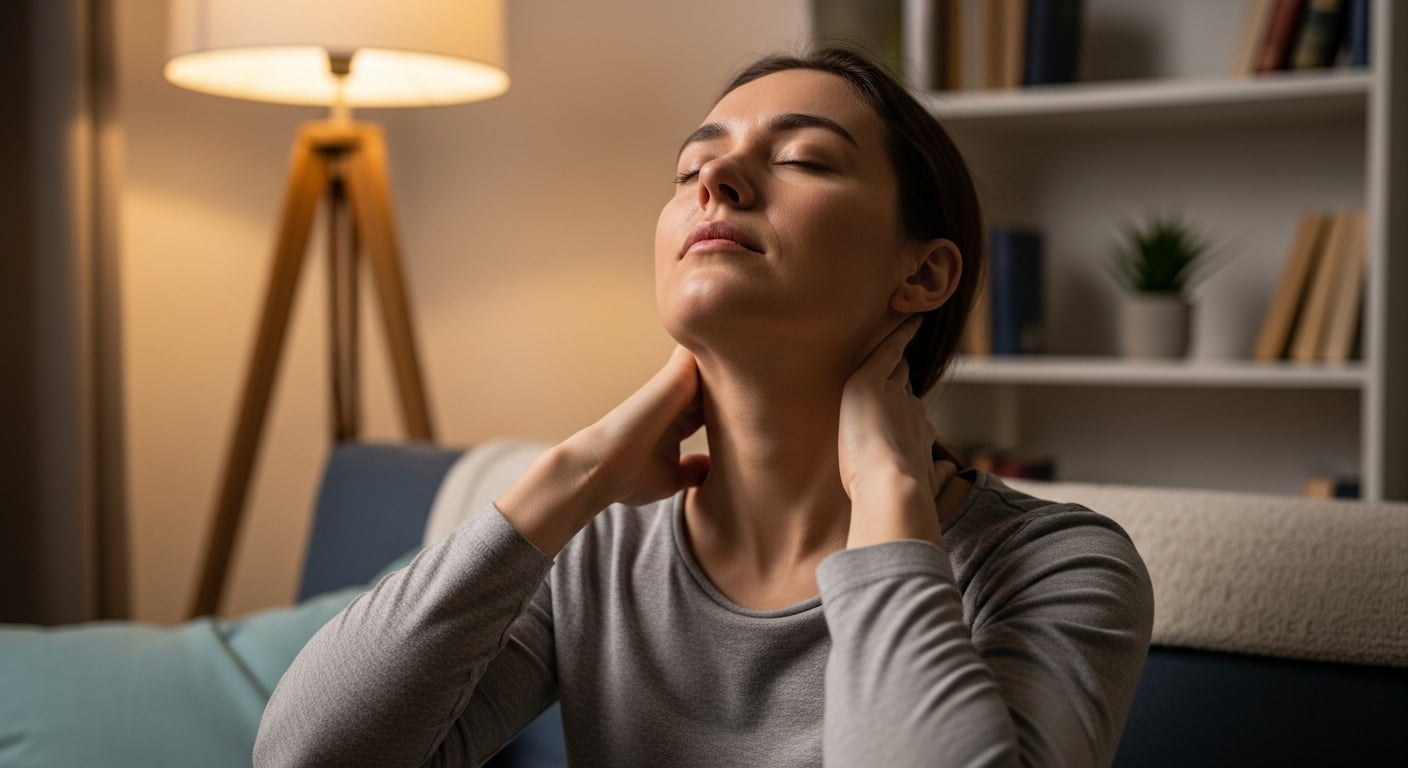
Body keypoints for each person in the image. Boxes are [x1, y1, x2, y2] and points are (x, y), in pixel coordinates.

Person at [254, 47, 1154, 768]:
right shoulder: (602, 549)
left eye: (802, 158)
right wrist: (575, 472)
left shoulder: (1058, 568)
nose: (715, 179)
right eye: (690, 168)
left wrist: (888, 490)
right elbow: (308, 755)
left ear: (923, 273)